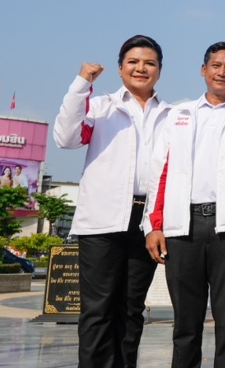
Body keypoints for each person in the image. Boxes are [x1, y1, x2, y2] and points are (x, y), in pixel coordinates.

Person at [144, 42, 225, 368]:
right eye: (216, 66)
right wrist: (154, 224)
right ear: (204, 70)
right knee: (185, 323)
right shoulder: (180, 113)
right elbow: (160, 171)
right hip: (184, 226)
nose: (222, 72)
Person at [53, 34, 169, 368]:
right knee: (98, 308)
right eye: (133, 62)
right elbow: (66, 138)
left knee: (132, 308)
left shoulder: (171, 115)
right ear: (120, 68)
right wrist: (81, 84)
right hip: (102, 220)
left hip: (146, 222)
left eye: (149, 63)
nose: (141, 68)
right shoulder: (101, 107)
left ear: (159, 70)